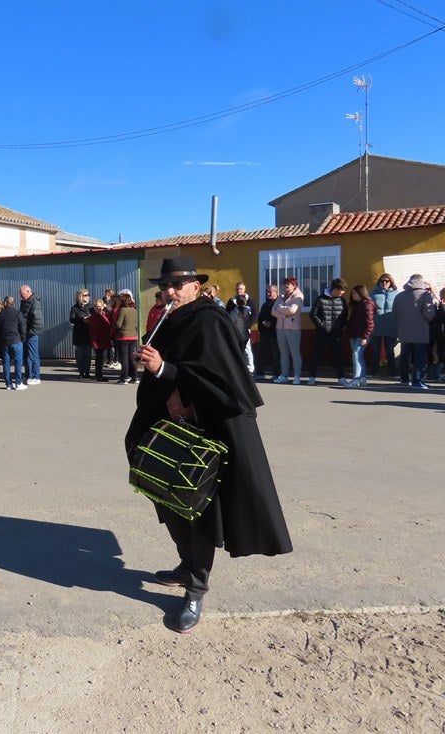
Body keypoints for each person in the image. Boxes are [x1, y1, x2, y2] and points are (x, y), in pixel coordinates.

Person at [129, 256, 292, 634]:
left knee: (194, 508)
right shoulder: (171, 318)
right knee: (166, 497)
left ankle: (196, 588)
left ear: (195, 287)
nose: (169, 291)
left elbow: (221, 383)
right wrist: (153, 365)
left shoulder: (209, 320)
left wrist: (164, 369)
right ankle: (187, 565)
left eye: (177, 285)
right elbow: (171, 370)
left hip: (206, 433)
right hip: (171, 426)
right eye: (164, 286)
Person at [394, 274, 438, 390]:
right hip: (420, 332)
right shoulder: (425, 295)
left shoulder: (399, 296)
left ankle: (404, 379)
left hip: (404, 332)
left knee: (405, 356)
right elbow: (429, 314)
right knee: (419, 358)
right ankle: (417, 381)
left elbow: (394, 314)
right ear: (421, 282)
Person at [307, 278, 348, 385]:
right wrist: (322, 325)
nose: (343, 292)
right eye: (342, 290)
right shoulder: (320, 299)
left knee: (338, 356)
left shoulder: (342, 301)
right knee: (317, 356)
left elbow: (344, 316)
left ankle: (341, 378)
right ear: (336, 289)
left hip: (336, 334)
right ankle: (312, 377)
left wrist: (339, 326)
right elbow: (313, 314)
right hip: (322, 333)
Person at [340, 285, 375, 388]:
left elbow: (370, 323)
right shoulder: (357, 305)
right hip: (354, 334)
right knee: (358, 356)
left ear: (361, 293)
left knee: (356, 355)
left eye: (355, 293)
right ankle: (362, 378)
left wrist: (365, 336)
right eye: (352, 293)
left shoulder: (367, 305)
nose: (352, 295)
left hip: (362, 335)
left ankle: (356, 380)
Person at [272, 276, 304, 385]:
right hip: (280, 329)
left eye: (289, 284)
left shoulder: (298, 296)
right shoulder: (280, 297)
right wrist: (285, 315)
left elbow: (292, 310)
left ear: (294, 285)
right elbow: (273, 311)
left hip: (293, 329)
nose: (286, 286)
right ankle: (284, 375)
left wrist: (280, 308)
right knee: (283, 353)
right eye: (285, 284)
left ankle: (297, 376)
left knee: (295, 353)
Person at [368, 274, 399, 377]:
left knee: (390, 351)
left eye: (387, 281)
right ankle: (374, 372)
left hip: (391, 326)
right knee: (375, 351)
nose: (384, 283)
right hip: (376, 327)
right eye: (382, 281)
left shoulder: (397, 294)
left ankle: (392, 372)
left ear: (391, 282)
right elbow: (368, 310)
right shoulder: (372, 294)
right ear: (379, 282)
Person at [0, 295, 26, 389]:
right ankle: (18, 383)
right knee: (18, 362)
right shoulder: (18, 314)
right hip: (16, 341)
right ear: (12, 303)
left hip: (4, 342)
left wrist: (0, 339)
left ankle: (8, 384)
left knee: (6, 363)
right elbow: (23, 328)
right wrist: (22, 339)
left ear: (5, 303)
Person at [226, 283, 257, 374]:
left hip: (245, 329)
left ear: (244, 290)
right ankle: (237, 367)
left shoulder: (251, 301)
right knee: (235, 347)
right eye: (237, 289)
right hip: (234, 329)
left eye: (240, 289)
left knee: (247, 348)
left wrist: (247, 325)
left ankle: (250, 368)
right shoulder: (231, 301)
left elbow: (255, 316)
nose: (238, 291)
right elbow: (227, 313)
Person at [254, 285, 281, 380]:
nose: (268, 294)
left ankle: (276, 374)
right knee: (259, 353)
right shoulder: (265, 305)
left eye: (270, 292)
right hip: (265, 333)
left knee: (277, 354)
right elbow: (260, 318)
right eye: (267, 292)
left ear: (276, 292)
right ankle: (259, 373)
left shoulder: (279, 303)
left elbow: (281, 317)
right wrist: (261, 328)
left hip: (275, 333)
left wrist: (272, 323)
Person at [20, 285, 43, 384]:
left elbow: (37, 319)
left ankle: (36, 376)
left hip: (31, 333)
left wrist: (32, 331)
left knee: (33, 355)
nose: (21, 296)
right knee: (26, 355)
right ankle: (28, 375)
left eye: (22, 294)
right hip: (26, 333)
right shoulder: (25, 302)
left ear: (28, 291)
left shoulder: (34, 302)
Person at [114, 291, 140, 384]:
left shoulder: (123, 310)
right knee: (132, 357)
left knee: (124, 358)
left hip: (123, 336)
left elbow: (118, 324)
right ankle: (135, 376)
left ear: (123, 301)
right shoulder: (134, 310)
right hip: (133, 336)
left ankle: (124, 377)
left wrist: (113, 327)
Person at [69, 288, 93, 379]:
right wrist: (82, 319)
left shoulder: (91, 307)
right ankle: (81, 372)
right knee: (80, 355)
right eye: (85, 295)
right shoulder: (74, 308)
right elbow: (72, 319)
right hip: (79, 334)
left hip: (88, 334)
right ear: (80, 296)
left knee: (88, 355)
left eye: (88, 295)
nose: (87, 297)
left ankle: (87, 372)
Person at [89, 298, 113, 383]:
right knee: (100, 358)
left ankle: (99, 374)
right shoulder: (93, 317)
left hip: (105, 340)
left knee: (103, 358)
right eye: (96, 306)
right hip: (98, 341)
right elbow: (93, 332)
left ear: (103, 306)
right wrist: (94, 343)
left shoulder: (104, 314)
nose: (98, 308)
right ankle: (98, 375)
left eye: (99, 306)